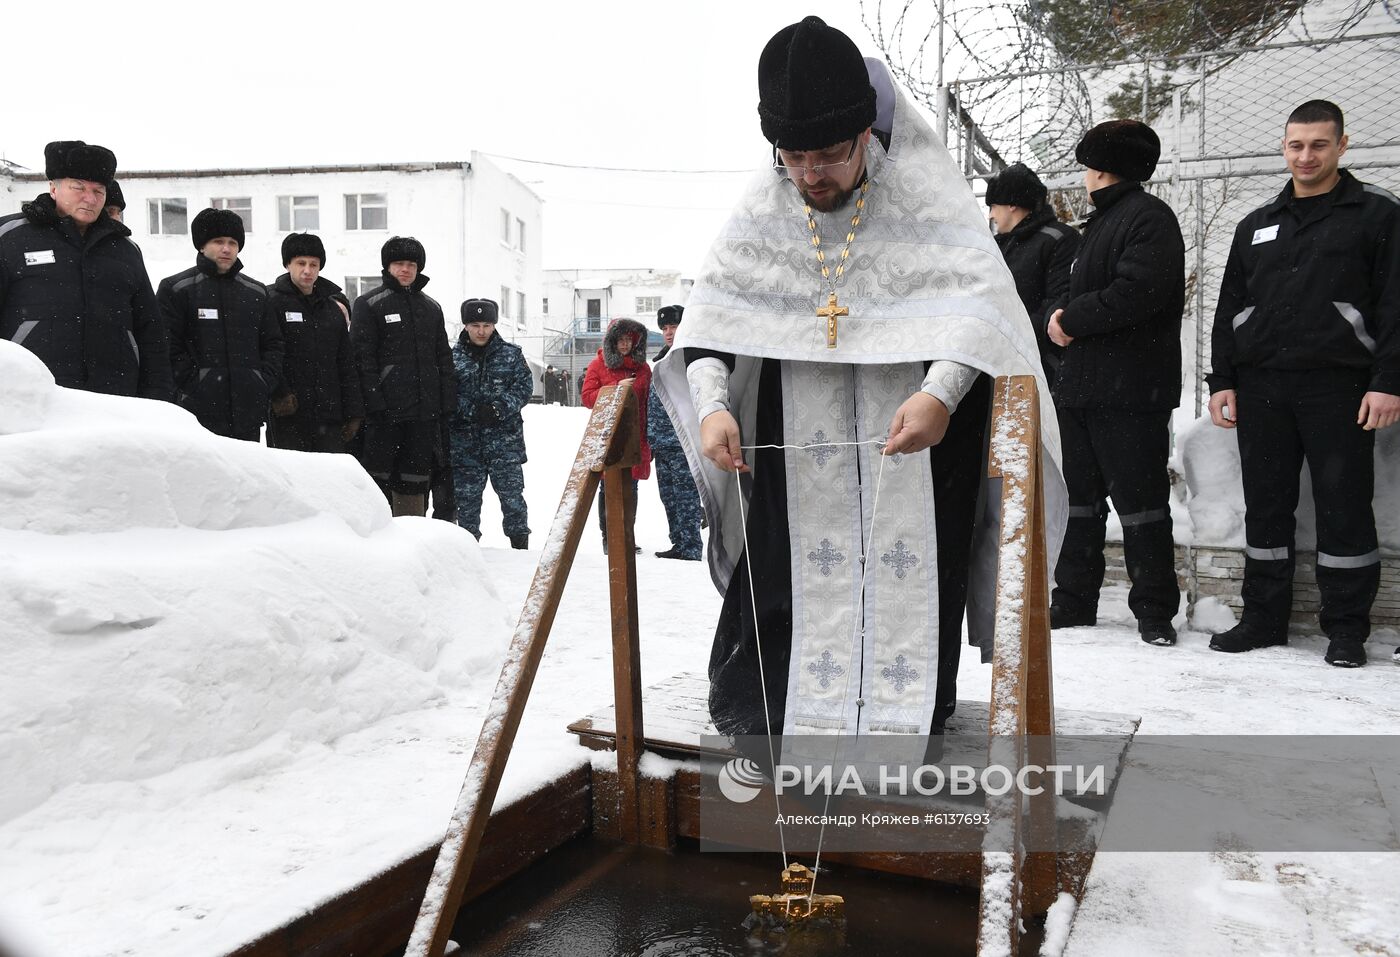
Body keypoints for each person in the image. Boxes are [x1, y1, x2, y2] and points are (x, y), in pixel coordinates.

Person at [650, 17, 1063, 740]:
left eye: (831, 154)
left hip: (915, 427)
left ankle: (905, 705)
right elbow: (714, 324)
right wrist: (715, 408)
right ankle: (776, 704)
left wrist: (941, 395)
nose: (811, 174)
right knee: (785, 572)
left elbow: (983, 316)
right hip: (800, 428)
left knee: (911, 561)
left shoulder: (926, 194)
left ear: (866, 133)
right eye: (794, 155)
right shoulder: (767, 201)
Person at [1206, 99, 1400, 668]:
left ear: (1342, 146)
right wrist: (1223, 379)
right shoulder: (1258, 223)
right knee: (1266, 506)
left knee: (1344, 505)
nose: (1306, 155)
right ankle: (1264, 619)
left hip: (1339, 386)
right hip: (1263, 385)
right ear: (1284, 148)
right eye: (1296, 145)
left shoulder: (1377, 214)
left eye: (1319, 144)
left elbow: (1395, 306)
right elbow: (1230, 307)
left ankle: (1346, 629)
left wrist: (1388, 379)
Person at [1045, 119, 1184, 647]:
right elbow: (1072, 293)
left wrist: (1070, 319)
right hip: (1082, 387)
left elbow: (1138, 292)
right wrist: (1058, 314)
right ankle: (1075, 599)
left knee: (1141, 505)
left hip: (1131, 392)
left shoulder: (1148, 219)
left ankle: (1153, 611)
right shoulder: (1096, 226)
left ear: (1100, 169)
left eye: (1088, 167)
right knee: (1079, 502)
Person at [0, 141, 171, 401]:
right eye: (78, 187)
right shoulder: (9, 238)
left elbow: (150, 333)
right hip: (31, 401)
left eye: (98, 191)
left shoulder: (126, 250)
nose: (90, 199)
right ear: (53, 188)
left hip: (114, 400)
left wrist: (159, 397)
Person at [350, 236, 456, 517]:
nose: (406, 269)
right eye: (399, 263)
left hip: (423, 414)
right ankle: (376, 531)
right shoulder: (369, 304)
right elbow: (362, 359)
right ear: (387, 266)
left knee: (415, 479)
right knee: (378, 478)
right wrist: (374, 401)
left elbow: (443, 358)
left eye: (411, 264)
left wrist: (445, 402)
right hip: (384, 414)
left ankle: (412, 535)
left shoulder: (431, 308)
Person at [158, 208, 282, 440]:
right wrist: (193, 383)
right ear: (202, 245)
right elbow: (167, 347)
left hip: (247, 412)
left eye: (233, 242)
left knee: (245, 474)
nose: (226, 249)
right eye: (218, 241)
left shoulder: (256, 292)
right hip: (196, 413)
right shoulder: (177, 289)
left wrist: (261, 381)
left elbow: (273, 345)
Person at [265, 232, 363, 453]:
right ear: (287, 264)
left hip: (329, 415)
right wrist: (278, 393)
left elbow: (345, 363)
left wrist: (354, 411)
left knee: (328, 481)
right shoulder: (271, 301)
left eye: (314, 264)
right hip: (288, 414)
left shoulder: (332, 309)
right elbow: (268, 353)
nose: (307, 270)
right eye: (301, 263)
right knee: (291, 478)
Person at [449, 298, 533, 548]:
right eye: (475, 324)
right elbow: (446, 393)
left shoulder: (511, 355)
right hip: (465, 446)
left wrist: (499, 408)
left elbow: (524, 387)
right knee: (467, 505)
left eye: (486, 324)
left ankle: (520, 548)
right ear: (465, 326)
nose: (481, 331)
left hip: (504, 445)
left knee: (513, 501)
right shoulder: (451, 358)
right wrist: (472, 410)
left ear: (494, 325)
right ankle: (468, 551)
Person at [986, 162, 1079, 387]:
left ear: (1011, 205)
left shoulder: (1059, 239)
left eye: (993, 206)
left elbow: (1058, 302)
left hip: (1040, 370)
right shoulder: (995, 245)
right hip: (996, 365)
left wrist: (1009, 335)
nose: (990, 215)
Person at [582, 317, 652, 555]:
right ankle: (609, 537)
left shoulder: (643, 369)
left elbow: (648, 404)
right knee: (608, 487)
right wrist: (616, 390)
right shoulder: (598, 365)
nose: (625, 345)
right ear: (612, 341)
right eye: (620, 340)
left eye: (629, 340)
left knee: (631, 489)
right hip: (609, 437)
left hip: (636, 436)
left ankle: (627, 536)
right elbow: (587, 397)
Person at [647, 305, 704, 561]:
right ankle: (679, 542)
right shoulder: (661, 359)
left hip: (683, 441)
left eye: (674, 326)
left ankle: (691, 546)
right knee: (668, 496)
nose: (669, 333)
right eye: (665, 328)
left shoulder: (688, 358)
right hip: (662, 442)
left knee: (686, 495)